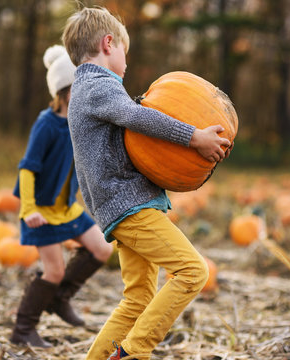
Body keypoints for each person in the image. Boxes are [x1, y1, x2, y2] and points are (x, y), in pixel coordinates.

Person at [62, 7, 233, 360]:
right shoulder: (96, 86)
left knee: (138, 298)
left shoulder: (88, 89)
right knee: (192, 271)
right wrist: (193, 137)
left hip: (122, 205)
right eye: (125, 49)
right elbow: (136, 116)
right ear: (108, 44)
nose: (126, 60)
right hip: (128, 206)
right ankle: (133, 353)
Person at [10, 44, 114, 348]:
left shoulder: (79, 123)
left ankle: (59, 297)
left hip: (66, 209)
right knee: (53, 270)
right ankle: (23, 329)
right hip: (39, 210)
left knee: (102, 249)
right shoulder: (47, 125)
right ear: (68, 92)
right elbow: (27, 169)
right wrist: (28, 209)